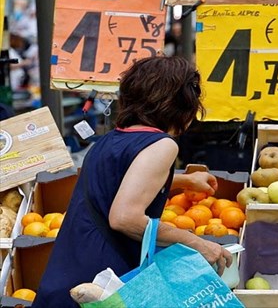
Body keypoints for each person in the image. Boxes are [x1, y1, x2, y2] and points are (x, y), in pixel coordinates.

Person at [33, 56, 232, 308]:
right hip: (101, 287)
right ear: (182, 103)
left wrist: (185, 181)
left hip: (66, 277)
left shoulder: (107, 141)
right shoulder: (162, 144)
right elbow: (125, 217)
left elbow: (120, 185)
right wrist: (198, 243)